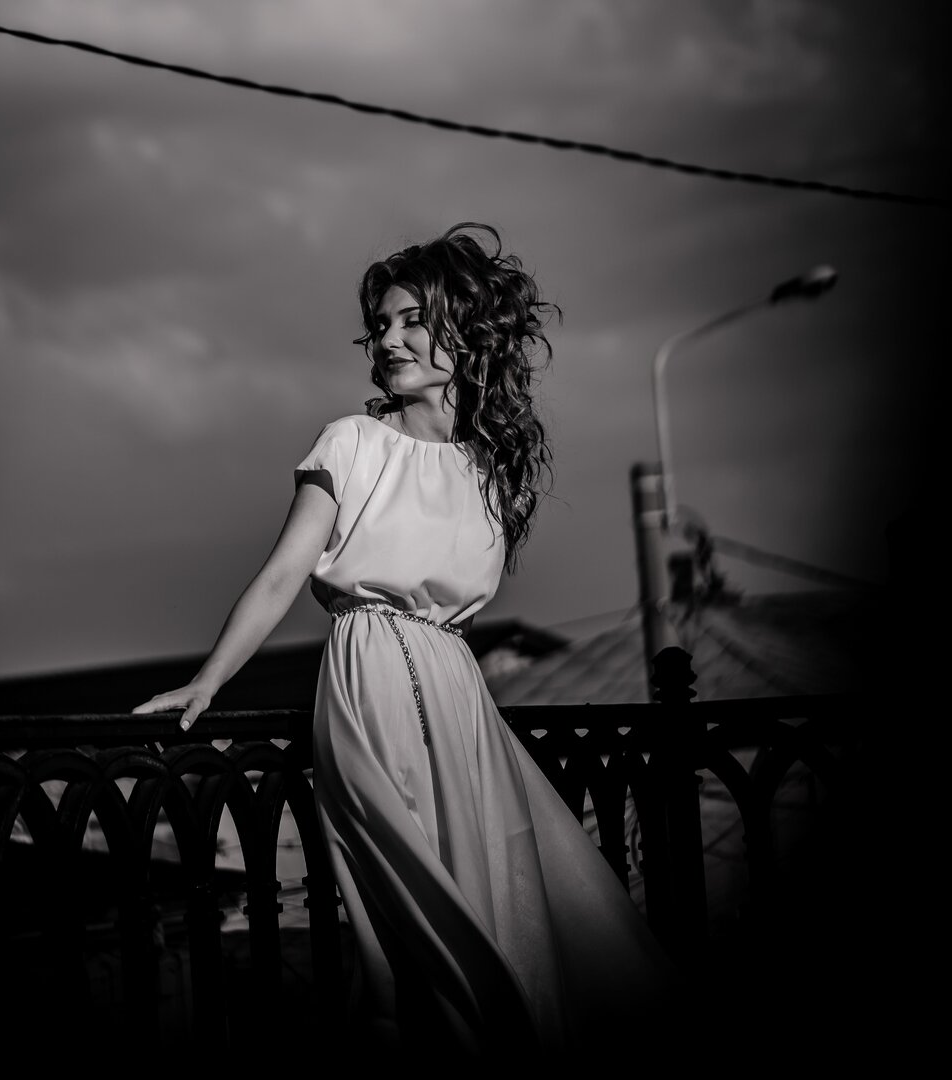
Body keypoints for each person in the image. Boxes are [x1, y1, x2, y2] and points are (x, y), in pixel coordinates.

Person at [133, 223, 673, 1059]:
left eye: (411, 319)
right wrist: (209, 681)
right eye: (378, 326)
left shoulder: (492, 470)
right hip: (370, 680)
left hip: (459, 701)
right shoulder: (352, 442)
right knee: (403, 940)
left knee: (494, 905)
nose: (389, 340)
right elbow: (283, 575)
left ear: (467, 328)